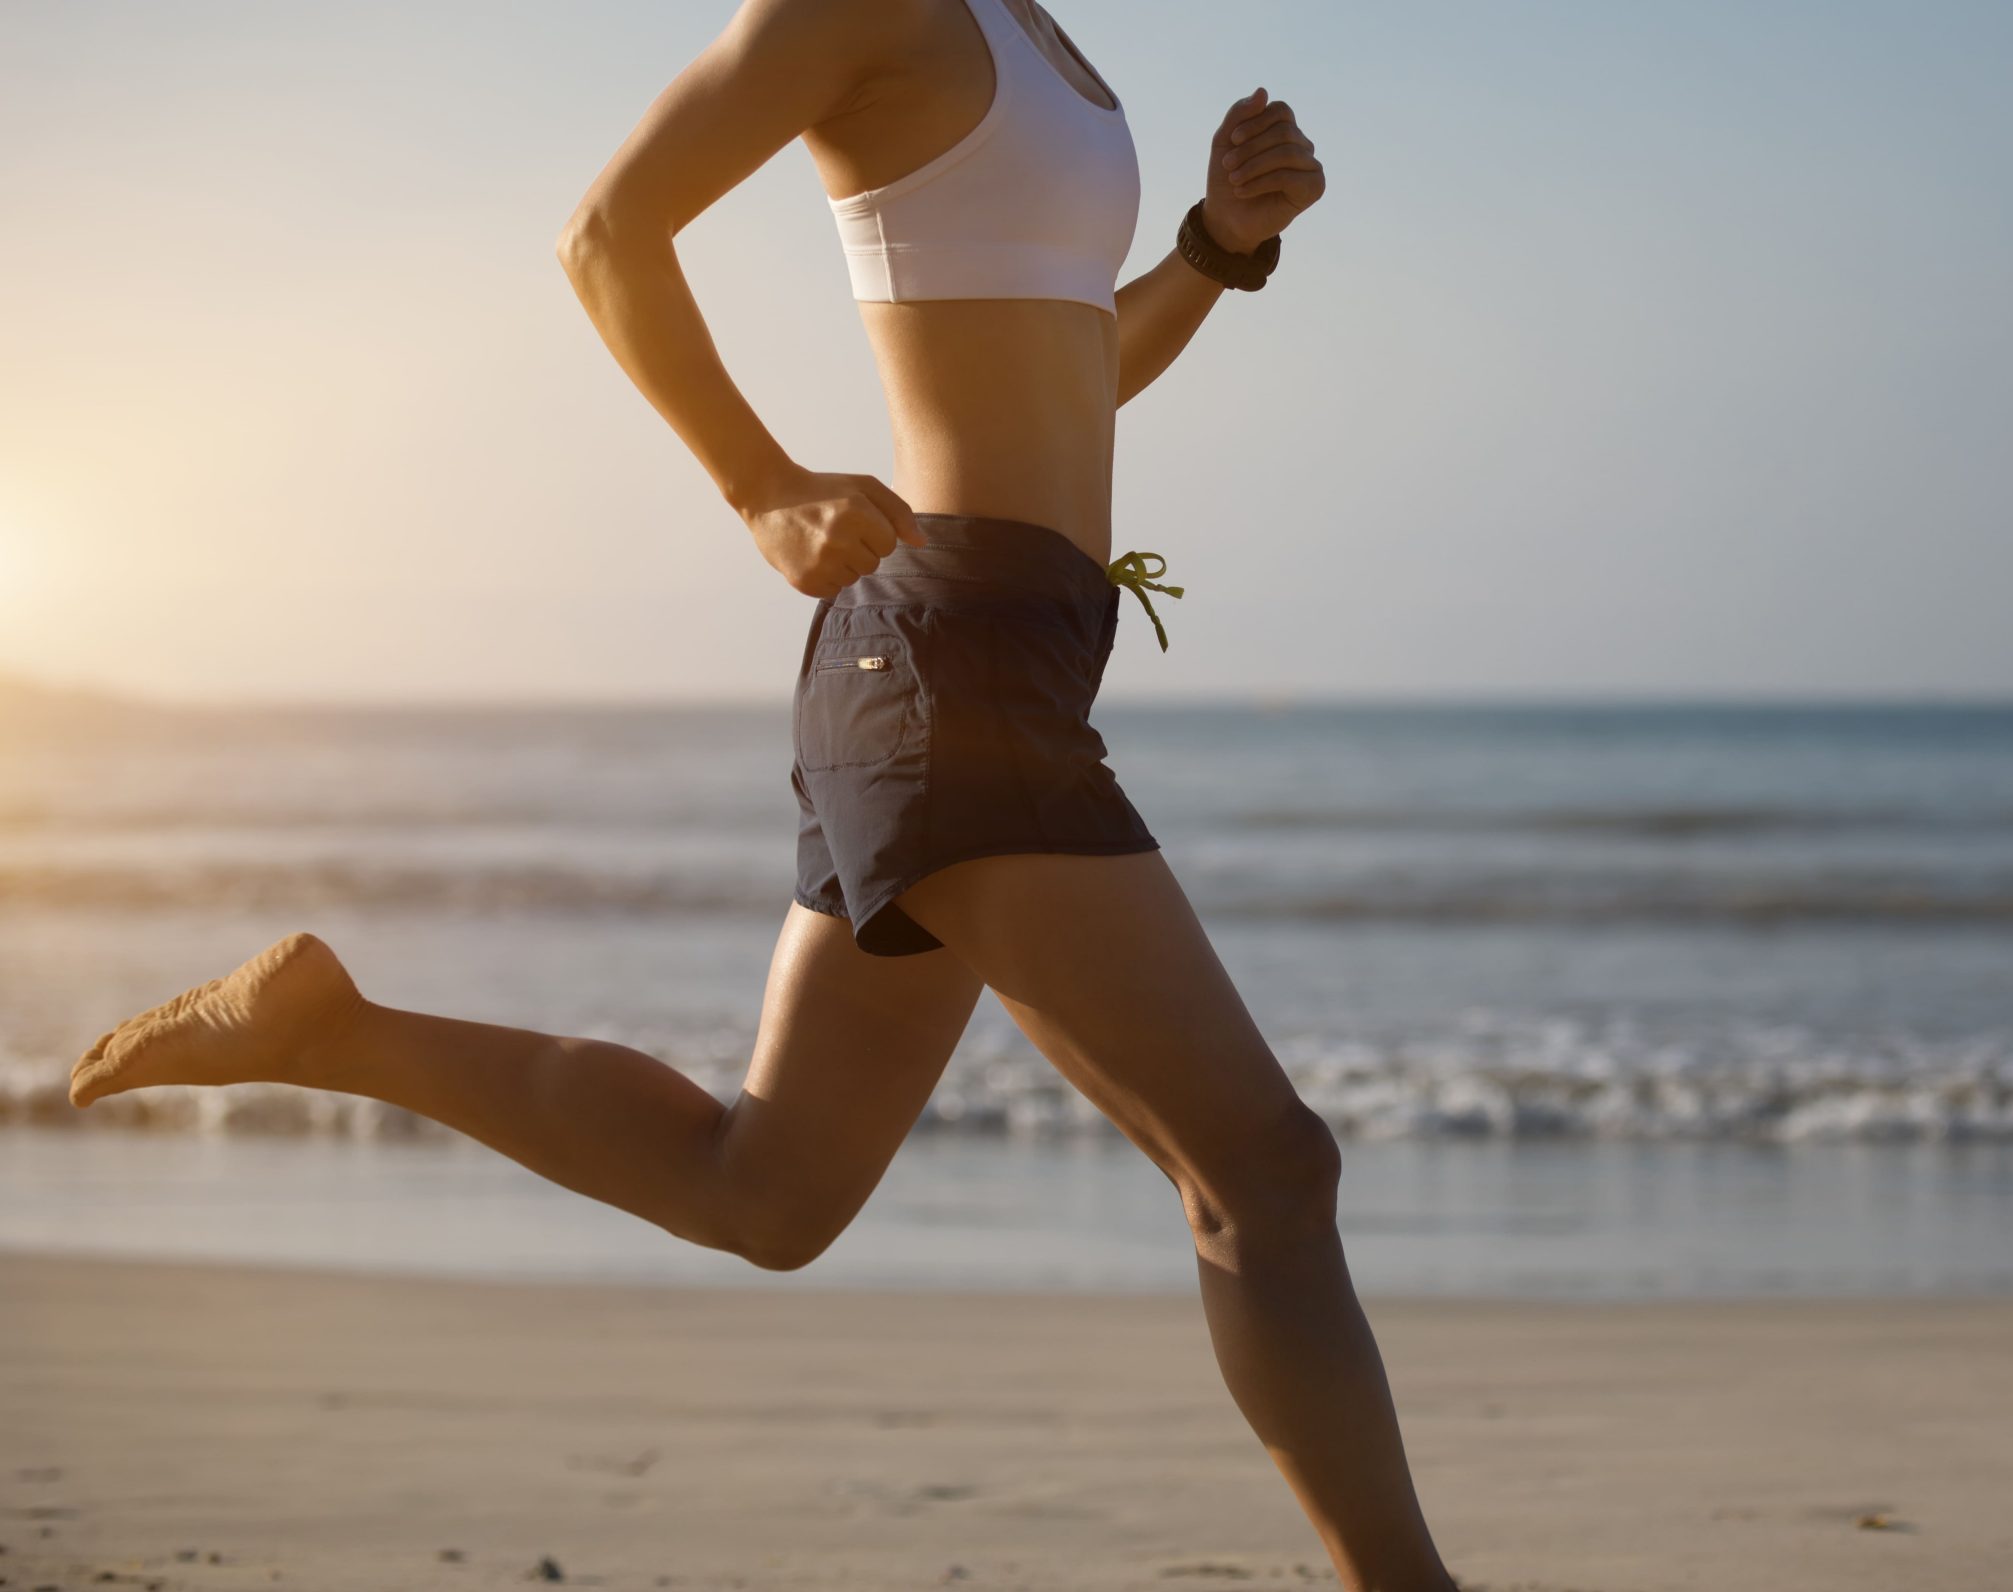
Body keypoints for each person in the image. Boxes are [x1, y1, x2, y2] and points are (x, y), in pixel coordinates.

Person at [67, 0, 1462, 1585]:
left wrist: (1214, 248)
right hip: (952, 665)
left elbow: (1067, 379)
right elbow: (608, 234)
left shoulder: (1031, 32)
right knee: (1266, 1170)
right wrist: (759, 483)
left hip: (984, 655)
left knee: (770, 1191)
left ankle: (329, 1030)